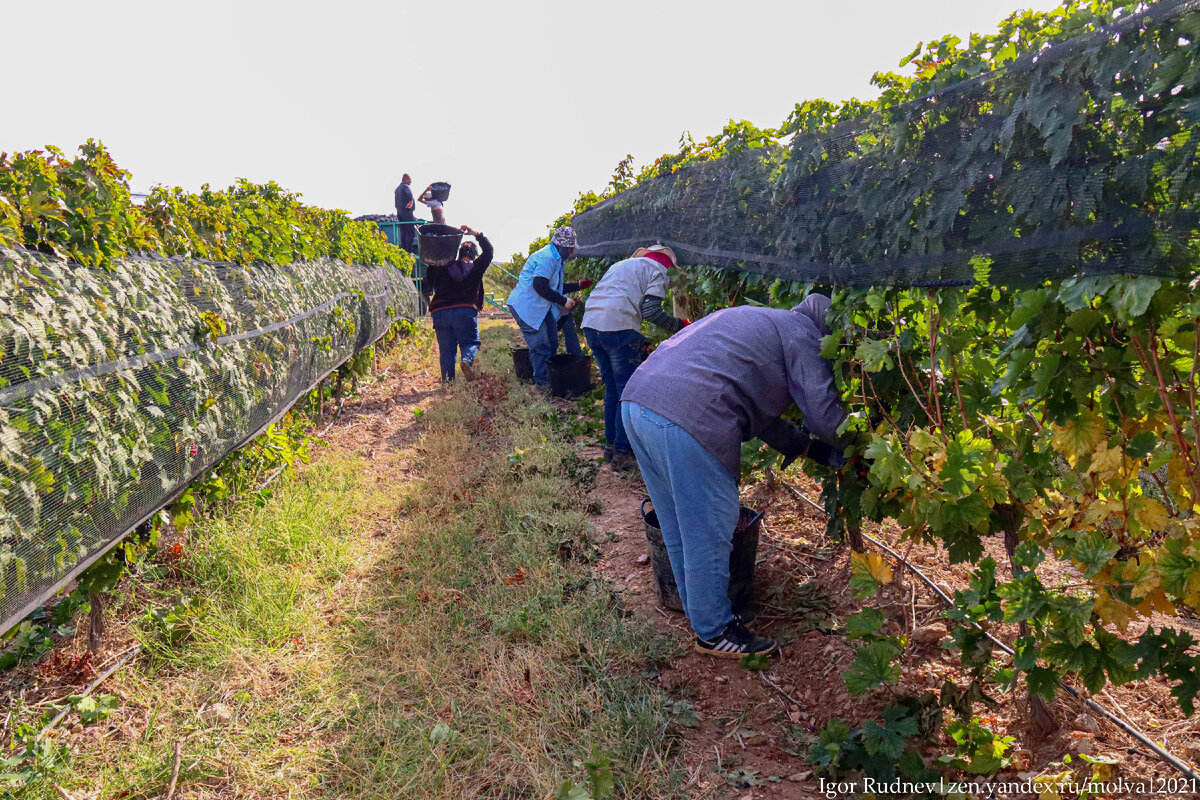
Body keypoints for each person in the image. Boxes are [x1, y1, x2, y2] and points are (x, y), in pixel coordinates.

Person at [620, 295, 849, 658]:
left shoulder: (760, 320)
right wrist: (865, 446)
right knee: (711, 527)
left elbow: (764, 418)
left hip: (638, 404)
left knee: (679, 523)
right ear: (826, 330)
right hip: (687, 415)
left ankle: (699, 610)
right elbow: (825, 417)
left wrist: (811, 449)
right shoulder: (803, 332)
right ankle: (715, 632)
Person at [581, 244, 690, 471]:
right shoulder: (658, 271)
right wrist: (680, 326)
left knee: (612, 388)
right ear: (668, 266)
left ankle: (611, 445)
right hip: (619, 328)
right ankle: (622, 453)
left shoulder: (621, 265)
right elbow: (650, 311)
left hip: (592, 325)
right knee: (626, 392)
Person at [505, 226, 594, 390]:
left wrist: (578, 286)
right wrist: (564, 302)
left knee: (552, 342)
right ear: (561, 245)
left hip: (538, 306)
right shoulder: (548, 258)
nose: (572, 250)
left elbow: (554, 287)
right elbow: (539, 285)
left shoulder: (557, 258)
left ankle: (541, 374)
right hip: (527, 307)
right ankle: (542, 383)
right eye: (570, 247)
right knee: (541, 345)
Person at [424, 226, 493, 382]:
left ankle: (448, 383)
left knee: (447, 350)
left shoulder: (443, 266)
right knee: (470, 342)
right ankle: (466, 361)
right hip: (464, 312)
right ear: (474, 255)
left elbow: (429, 274)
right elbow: (489, 251)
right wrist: (477, 234)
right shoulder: (476, 267)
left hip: (440, 312)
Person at [394, 174, 416, 253]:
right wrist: (410, 202)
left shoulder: (397, 189)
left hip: (400, 213)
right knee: (410, 232)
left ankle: (403, 250)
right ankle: (409, 250)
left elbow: (396, 203)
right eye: (410, 179)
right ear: (405, 179)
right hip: (406, 213)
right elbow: (409, 194)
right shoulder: (406, 187)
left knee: (403, 232)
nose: (411, 181)